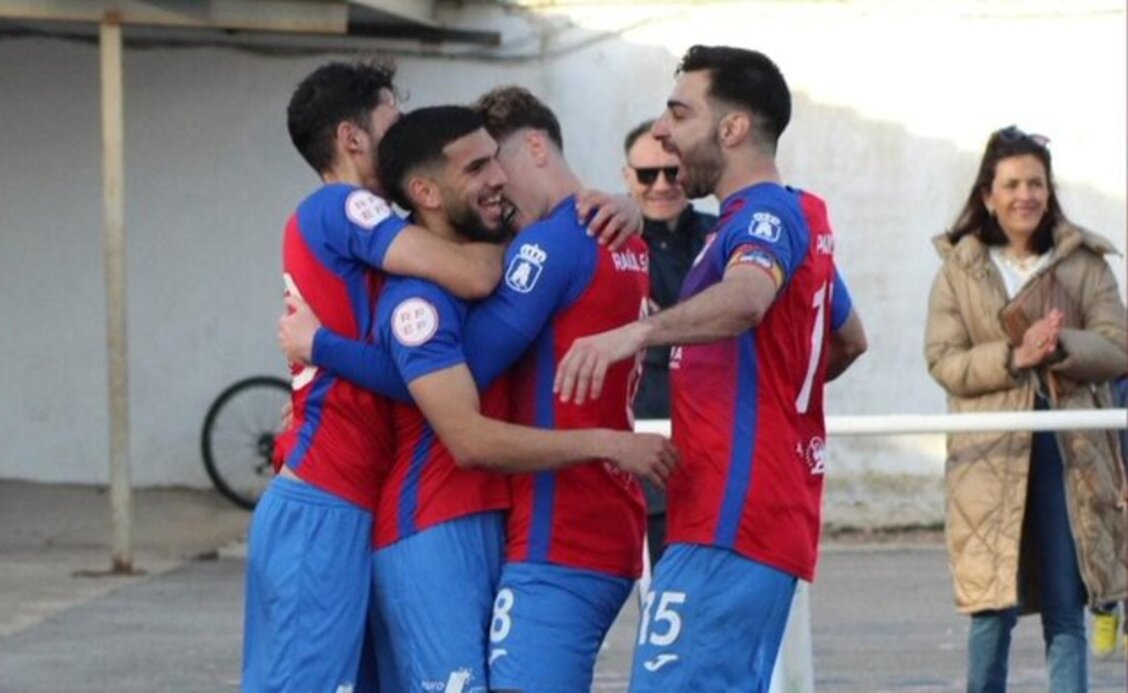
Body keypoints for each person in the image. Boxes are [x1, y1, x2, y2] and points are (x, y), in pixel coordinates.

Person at [278, 104, 678, 693]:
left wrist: (617, 210)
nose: (497, 180)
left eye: (497, 158)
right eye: (477, 168)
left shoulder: (506, 259)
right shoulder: (423, 299)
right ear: (427, 193)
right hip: (434, 520)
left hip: (493, 517)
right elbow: (462, 431)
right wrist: (323, 347)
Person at [552, 45, 868, 690]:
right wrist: (774, 394)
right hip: (745, 513)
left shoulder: (761, 215)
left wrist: (632, 335)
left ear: (732, 129)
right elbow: (846, 339)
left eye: (678, 112)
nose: (664, 131)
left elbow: (749, 298)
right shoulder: (794, 214)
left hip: (732, 516)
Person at [242, 59, 507, 693]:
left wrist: (324, 346)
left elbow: (401, 375)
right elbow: (475, 276)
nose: (406, 134)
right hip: (322, 497)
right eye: (394, 120)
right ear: (352, 138)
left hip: (348, 496)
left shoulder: (350, 220)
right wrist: (513, 221)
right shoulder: (344, 202)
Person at [923, 125, 1128, 690]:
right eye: (1011, 184)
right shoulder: (960, 270)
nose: (1025, 196)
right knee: (992, 610)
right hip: (990, 455)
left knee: (1067, 606)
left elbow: (1118, 346)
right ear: (988, 194)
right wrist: (1015, 355)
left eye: (1035, 183)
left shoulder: (1083, 262)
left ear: (1049, 189)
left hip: (1070, 452)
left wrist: (1061, 348)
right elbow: (944, 361)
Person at [622, 118, 719, 568]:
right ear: (627, 178)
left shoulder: (721, 233)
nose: (661, 185)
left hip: (718, 439)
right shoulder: (610, 243)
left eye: (671, 172)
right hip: (648, 444)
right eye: (646, 174)